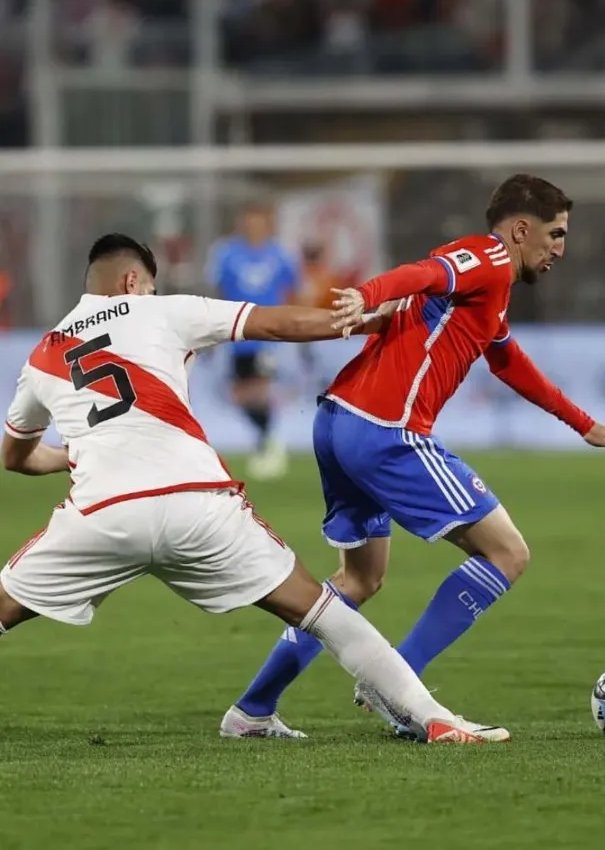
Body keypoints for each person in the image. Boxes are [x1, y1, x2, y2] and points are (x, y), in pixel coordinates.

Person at [0, 233, 504, 745]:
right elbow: (276, 323)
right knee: (323, 613)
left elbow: (14, 457)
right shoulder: (158, 311)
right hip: (197, 504)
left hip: (102, 514)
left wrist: (75, 454)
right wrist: (362, 319)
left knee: (5, 608)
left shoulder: (44, 352)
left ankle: (259, 714)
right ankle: (433, 718)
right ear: (133, 282)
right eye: (149, 287)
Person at [222, 174, 605, 740]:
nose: (560, 248)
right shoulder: (487, 257)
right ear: (521, 229)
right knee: (508, 553)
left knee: (358, 581)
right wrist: (367, 296)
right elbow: (423, 272)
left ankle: (252, 710)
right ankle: (400, 684)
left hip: (338, 421)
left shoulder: (489, 294)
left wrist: (586, 425)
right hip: (385, 431)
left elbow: (511, 363)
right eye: (555, 233)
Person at [208, 201, 298, 479]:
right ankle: (266, 437)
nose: (253, 226)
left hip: (268, 334)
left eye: (258, 220)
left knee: (259, 387)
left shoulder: (279, 254)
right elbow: (218, 289)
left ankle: (268, 442)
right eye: (249, 220)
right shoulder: (227, 254)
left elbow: (292, 290)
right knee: (239, 394)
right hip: (237, 333)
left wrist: (288, 325)